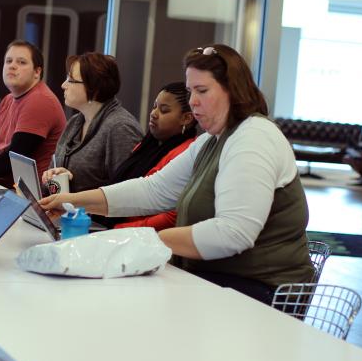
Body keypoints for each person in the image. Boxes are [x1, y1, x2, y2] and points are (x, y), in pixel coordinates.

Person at [41, 44, 313, 304]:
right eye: (190, 91)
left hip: (259, 291)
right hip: (216, 279)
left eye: (202, 91)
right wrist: (73, 200)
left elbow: (234, 233)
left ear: (233, 91)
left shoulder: (254, 139)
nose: (193, 102)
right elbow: (154, 190)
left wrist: (145, 240)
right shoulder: (212, 140)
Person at [0, 40, 65, 183]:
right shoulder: (8, 100)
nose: (13, 66)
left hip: (29, 196)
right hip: (3, 188)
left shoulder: (40, 100)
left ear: (37, 72)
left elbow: (12, 160)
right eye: (8, 61)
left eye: (21, 62)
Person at [42, 52, 142, 193]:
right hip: (66, 211)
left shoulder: (120, 128)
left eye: (71, 80)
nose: (63, 85)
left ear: (94, 88)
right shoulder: (75, 122)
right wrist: (51, 177)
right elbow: (55, 173)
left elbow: (127, 191)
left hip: (95, 214)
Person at [112, 82, 196, 231]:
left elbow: (171, 216)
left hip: (145, 237)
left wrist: (120, 229)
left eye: (164, 110)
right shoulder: (148, 144)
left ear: (186, 118)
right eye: (154, 106)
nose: (154, 113)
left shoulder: (186, 152)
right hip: (119, 226)